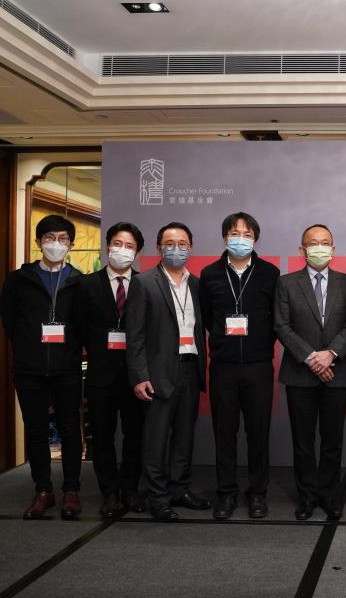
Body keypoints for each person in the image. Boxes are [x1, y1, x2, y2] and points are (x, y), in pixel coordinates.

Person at [125, 222, 211, 521]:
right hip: (158, 372)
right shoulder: (144, 283)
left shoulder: (198, 285)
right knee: (156, 438)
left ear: (191, 247)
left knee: (184, 436)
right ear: (159, 247)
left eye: (183, 242)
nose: (177, 248)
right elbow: (133, 335)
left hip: (190, 367)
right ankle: (157, 496)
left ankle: (179, 489)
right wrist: (140, 376)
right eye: (170, 243)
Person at [0, 214, 84, 519]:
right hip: (29, 368)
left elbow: (83, 326)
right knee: (35, 430)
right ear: (38, 242)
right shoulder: (18, 280)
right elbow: (10, 322)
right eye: (49, 238)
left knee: (70, 430)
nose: (55, 244)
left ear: (71, 245)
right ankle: (43, 490)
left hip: (67, 368)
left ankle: (71, 490)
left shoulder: (78, 281)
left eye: (62, 239)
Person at [199, 213, 280, 520]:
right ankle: (226, 493)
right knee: (224, 432)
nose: (240, 239)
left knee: (258, 432)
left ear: (255, 239)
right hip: (223, 366)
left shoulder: (270, 273)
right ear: (224, 238)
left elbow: (276, 318)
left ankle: (258, 493)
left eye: (247, 234)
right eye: (234, 233)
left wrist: (259, 344)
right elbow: (207, 317)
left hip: (259, 365)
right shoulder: (209, 275)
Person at [275, 224, 346, 521]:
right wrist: (311, 358)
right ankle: (307, 496)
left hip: (338, 370)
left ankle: (329, 494)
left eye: (325, 243)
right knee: (303, 440)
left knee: (333, 440)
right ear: (302, 250)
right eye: (313, 243)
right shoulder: (286, 283)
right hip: (300, 373)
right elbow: (281, 326)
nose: (319, 248)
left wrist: (331, 354)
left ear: (334, 250)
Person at [74, 222, 147, 518]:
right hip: (101, 373)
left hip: (135, 375)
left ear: (137, 252)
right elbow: (79, 328)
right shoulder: (87, 284)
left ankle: (130, 489)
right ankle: (109, 492)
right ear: (108, 246)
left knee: (135, 435)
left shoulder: (145, 284)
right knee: (102, 435)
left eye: (129, 246)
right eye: (118, 244)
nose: (122, 250)